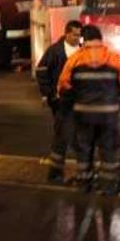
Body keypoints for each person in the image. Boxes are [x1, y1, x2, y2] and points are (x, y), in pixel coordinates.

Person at [57, 24, 120, 195]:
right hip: (108, 115)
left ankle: (84, 184)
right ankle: (108, 186)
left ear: (84, 39)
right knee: (107, 150)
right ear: (100, 38)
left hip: (83, 114)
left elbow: (63, 86)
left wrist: (69, 103)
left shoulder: (75, 59)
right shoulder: (113, 58)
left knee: (84, 149)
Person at [35, 20, 82, 183]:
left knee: (77, 136)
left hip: (77, 101)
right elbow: (41, 70)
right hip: (60, 102)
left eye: (79, 35)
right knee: (63, 135)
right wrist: (48, 94)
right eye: (75, 35)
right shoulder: (55, 51)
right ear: (67, 34)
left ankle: (81, 170)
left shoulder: (82, 50)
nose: (78, 38)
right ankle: (56, 173)